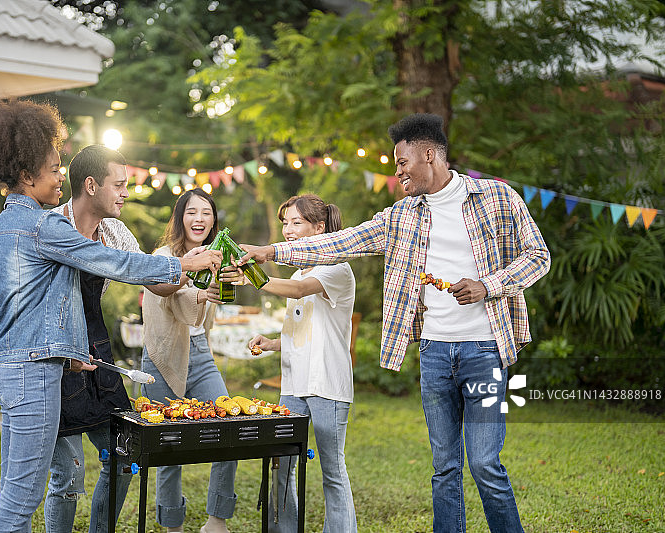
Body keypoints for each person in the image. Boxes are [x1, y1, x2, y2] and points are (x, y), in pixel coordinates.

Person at [239, 113, 551, 533]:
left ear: (428, 155)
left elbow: (538, 256)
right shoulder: (401, 215)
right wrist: (271, 250)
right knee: (444, 467)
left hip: (485, 350)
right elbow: (342, 240)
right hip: (434, 353)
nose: (397, 171)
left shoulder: (497, 197)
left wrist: (488, 285)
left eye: (402, 162)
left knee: (484, 463)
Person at [0, 100, 221, 533]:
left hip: (9, 366)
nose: (58, 175)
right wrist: (184, 265)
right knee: (20, 502)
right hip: (36, 372)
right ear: (27, 175)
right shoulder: (47, 226)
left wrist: (52, 336)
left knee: (19, 495)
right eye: (52, 168)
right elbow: (117, 265)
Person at [243, 194, 357, 533]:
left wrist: (254, 277)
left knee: (332, 470)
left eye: (296, 223)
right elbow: (307, 328)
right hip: (294, 385)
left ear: (319, 227)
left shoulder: (336, 267)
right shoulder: (302, 267)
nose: (288, 230)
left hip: (326, 386)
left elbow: (298, 290)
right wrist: (274, 343)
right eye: (285, 223)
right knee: (281, 464)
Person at [43, 144, 141, 532]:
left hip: (97, 352)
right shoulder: (50, 227)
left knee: (122, 455)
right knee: (67, 475)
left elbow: (149, 274)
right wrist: (62, 352)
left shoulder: (115, 232)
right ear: (90, 184)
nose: (126, 193)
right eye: (119, 184)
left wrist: (195, 281)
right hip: (52, 359)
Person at [140, 188, 237, 533]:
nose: (200, 218)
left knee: (231, 428)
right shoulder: (163, 255)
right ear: (180, 217)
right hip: (162, 355)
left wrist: (228, 278)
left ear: (214, 221)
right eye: (192, 212)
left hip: (200, 354)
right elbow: (173, 293)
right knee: (169, 444)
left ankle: (216, 520)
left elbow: (211, 307)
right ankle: (172, 526)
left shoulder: (215, 256)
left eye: (207, 213)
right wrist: (200, 293)